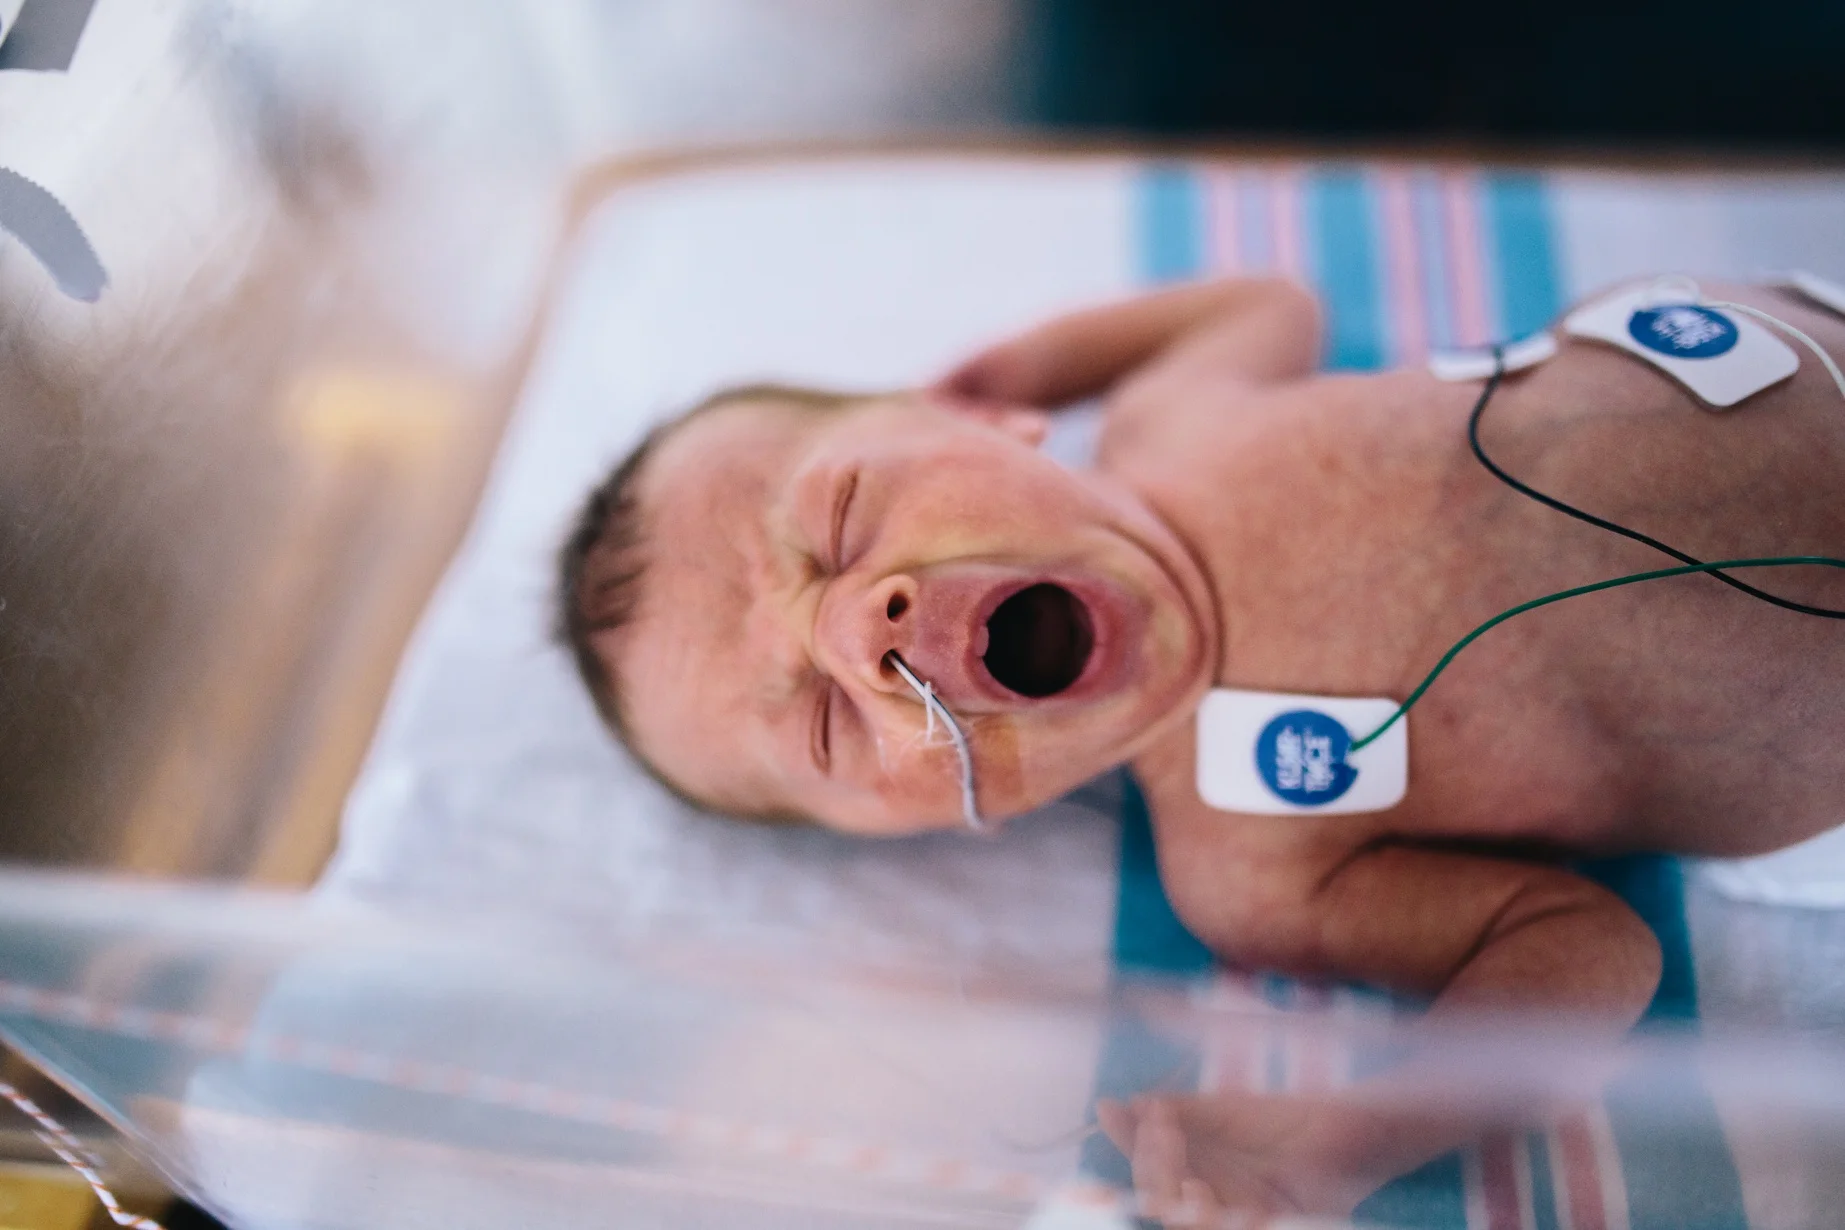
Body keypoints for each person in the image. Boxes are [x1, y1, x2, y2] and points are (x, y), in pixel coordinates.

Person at [556, 275, 1845, 1218]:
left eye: (842, 516)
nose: (864, 630)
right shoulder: (1252, 866)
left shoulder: (1172, 421)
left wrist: (1032, 363)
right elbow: (1586, 953)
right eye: (830, 721)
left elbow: (1266, 303)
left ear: (978, 426)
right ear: (930, 823)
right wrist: (1352, 1139)